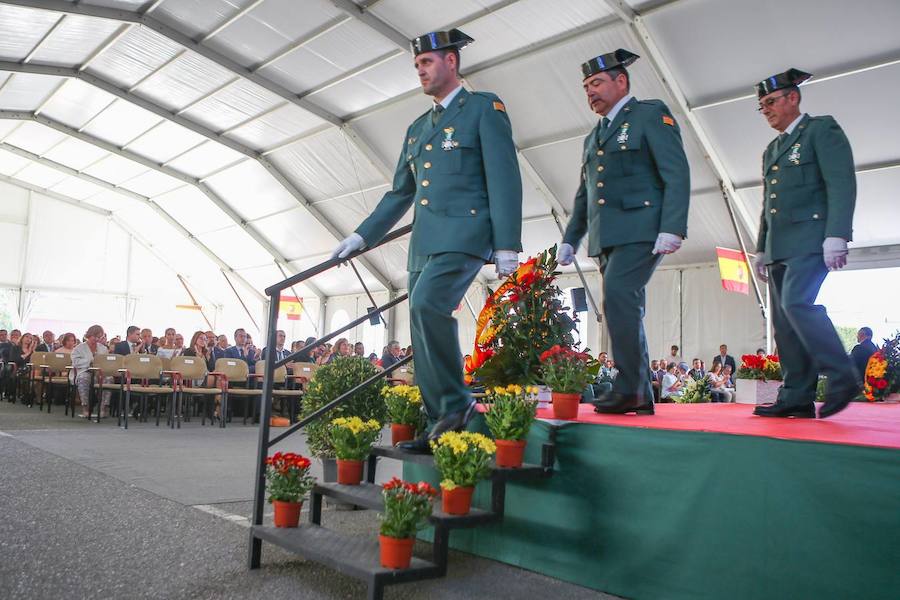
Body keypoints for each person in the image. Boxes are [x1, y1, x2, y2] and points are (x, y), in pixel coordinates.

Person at [331, 28, 522, 452]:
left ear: (451, 62)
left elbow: (504, 176)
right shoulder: (419, 128)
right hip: (426, 241)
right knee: (419, 328)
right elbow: (400, 192)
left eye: (427, 62)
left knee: (426, 305)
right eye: (417, 64)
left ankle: (458, 406)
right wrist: (361, 235)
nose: (420, 70)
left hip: (467, 233)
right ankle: (442, 421)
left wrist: (507, 243)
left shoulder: (482, 109)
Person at [557, 48, 689, 416]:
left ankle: (629, 386)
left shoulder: (649, 115)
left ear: (621, 81)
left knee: (618, 296)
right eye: (585, 87)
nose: (590, 92)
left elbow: (676, 172)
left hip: (643, 229)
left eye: (596, 82)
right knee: (624, 306)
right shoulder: (593, 137)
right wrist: (571, 237)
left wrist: (673, 226)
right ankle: (641, 393)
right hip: (607, 238)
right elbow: (586, 194)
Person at [751, 68, 860, 419]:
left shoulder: (820, 130)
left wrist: (837, 233)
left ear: (793, 98)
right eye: (761, 105)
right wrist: (761, 248)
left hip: (812, 240)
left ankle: (843, 375)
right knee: (783, 322)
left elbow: (841, 181)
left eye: (770, 102)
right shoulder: (772, 150)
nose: (765, 109)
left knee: (797, 304)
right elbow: (769, 205)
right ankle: (796, 395)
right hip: (780, 246)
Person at [70, 325, 110, 418]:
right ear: (88, 335)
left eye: (99, 337)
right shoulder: (78, 348)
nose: (96, 339)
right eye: (94, 336)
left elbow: (106, 362)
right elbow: (75, 362)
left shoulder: (103, 349)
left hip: (98, 373)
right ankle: (85, 408)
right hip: (83, 371)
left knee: (109, 379)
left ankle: (103, 408)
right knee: (84, 378)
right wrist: (90, 361)